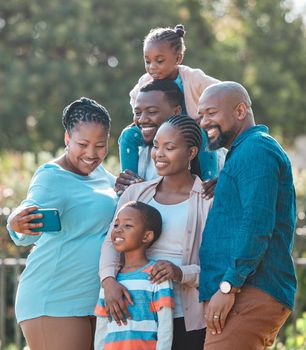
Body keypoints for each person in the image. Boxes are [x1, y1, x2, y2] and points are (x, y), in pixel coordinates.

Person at [6, 97, 118, 350]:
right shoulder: (51, 176)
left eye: (100, 145)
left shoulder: (100, 174)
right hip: (54, 296)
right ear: (67, 138)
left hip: (93, 298)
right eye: (83, 144)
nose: (92, 154)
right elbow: (27, 218)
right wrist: (16, 223)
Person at [197, 81, 297, 349]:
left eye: (211, 113)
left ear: (240, 111)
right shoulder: (244, 154)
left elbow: (256, 224)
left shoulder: (257, 149)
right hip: (243, 293)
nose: (204, 121)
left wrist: (229, 285)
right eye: (201, 115)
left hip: (247, 292)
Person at [99, 115, 212, 350]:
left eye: (169, 148)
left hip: (185, 317)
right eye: (156, 146)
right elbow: (112, 240)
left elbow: (217, 264)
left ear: (191, 153)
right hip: (134, 311)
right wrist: (108, 282)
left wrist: (180, 272)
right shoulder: (136, 194)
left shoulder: (208, 200)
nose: (159, 154)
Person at [119, 24, 220, 178]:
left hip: (189, 128)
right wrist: (139, 116)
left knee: (204, 137)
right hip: (158, 129)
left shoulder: (193, 77)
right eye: (147, 61)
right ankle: (129, 177)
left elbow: (220, 91)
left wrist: (206, 117)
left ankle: (209, 179)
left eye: (159, 61)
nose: (152, 67)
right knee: (127, 135)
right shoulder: (145, 80)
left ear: (178, 58)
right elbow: (134, 97)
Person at [116, 79, 217, 198]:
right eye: (137, 113)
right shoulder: (138, 149)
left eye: (152, 112)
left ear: (176, 112)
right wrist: (125, 188)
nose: (142, 119)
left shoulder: (215, 154)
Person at [94, 201, 174, 350]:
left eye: (128, 226)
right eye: (116, 225)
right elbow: (101, 328)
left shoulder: (156, 274)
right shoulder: (110, 281)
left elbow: (165, 327)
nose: (118, 230)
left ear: (147, 236)